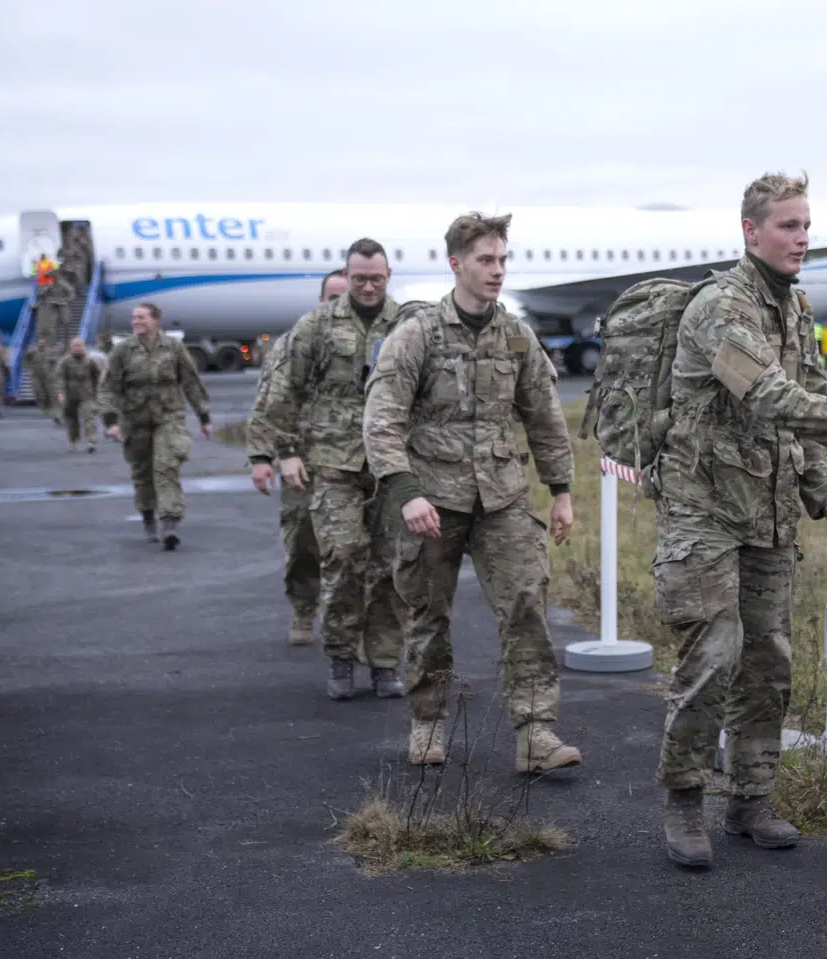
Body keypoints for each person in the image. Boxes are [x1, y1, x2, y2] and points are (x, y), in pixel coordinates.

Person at [646, 172, 827, 869]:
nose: (802, 238)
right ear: (751, 231)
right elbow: (771, 396)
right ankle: (685, 799)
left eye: (806, 225)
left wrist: (823, 490)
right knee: (712, 656)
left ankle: (751, 798)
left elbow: (809, 399)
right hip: (705, 510)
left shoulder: (795, 308)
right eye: (788, 226)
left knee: (768, 662)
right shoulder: (721, 307)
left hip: (768, 516)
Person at [363, 213, 585, 772]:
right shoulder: (417, 334)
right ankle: (428, 722)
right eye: (486, 260)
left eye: (503, 260)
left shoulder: (516, 336)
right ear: (456, 264)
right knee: (428, 614)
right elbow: (382, 419)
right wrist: (405, 491)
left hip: (502, 497)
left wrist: (561, 490)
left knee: (526, 604)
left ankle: (536, 734)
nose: (497, 271)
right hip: (431, 499)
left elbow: (544, 417)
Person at [262, 241, 406, 701]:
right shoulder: (317, 325)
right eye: (359, 278)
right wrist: (286, 452)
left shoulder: (408, 325)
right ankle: (341, 657)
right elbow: (283, 392)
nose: (368, 287)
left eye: (376, 279)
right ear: (347, 275)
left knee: (390, 567)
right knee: (342, 558)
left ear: (388, 276)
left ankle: (384, 662)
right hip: (333, 464)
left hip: (391, 464)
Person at [247, 270, 347, 646]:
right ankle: (304, 608)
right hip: (302, 460)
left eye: (345, 296)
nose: (339, 304)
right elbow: (267, 402)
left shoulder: (377, 341)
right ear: (320, 301)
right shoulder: (292, 343)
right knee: (304, 542)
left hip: (353, 461)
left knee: (355, 547)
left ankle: (350, 622)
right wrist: (261, 457)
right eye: (332, 297)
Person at [98, 303, 212, 549]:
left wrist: (204, 417)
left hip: (169, 418)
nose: (136, 322)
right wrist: (110, 421)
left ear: (156, 321)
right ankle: (148, 516)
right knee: (143, 475)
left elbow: (191, 382)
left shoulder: (173, 347)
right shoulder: (122, 350)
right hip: (135, 421)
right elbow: (108, 388)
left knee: (166, 467)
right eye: (134, 318)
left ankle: (170, 523)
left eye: (142, 317)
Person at [55, 336, 101, 453]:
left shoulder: (90, 361)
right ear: (71, 347)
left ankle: (91, 441)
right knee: (71, 419)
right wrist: (61, 393)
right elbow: (60, 378)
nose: (77, 348)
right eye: (75, 346)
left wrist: (98, 392)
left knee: (89, 417)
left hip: (87, 394)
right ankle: (73, 441)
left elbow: (97, 376)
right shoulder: (65, 362)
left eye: (79, 346)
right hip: (70, 394)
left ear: (83, 347)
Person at [25, 333, 63, 424]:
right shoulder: (32, 351)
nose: (42, 342)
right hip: (36, 375)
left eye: (43, 341)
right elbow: (26, 360)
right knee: (37, 391)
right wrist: (29, 369)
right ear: (38, 342)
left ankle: (47, 408)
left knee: (47, 392)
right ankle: (41, 407)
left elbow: (56, 360)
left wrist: (53, 361)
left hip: (47, 375)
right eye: (40, 341)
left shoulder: (49, 351)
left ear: (45, 342)